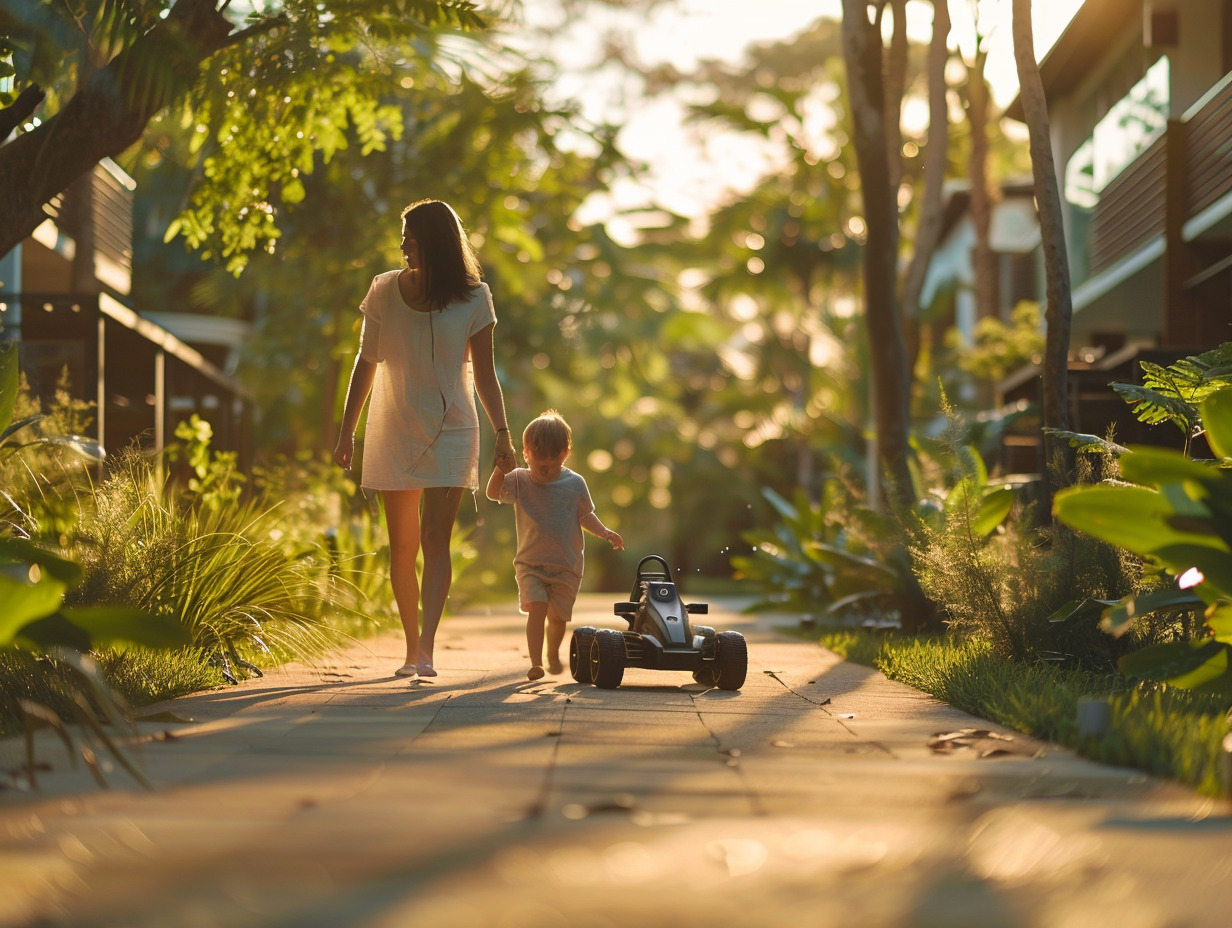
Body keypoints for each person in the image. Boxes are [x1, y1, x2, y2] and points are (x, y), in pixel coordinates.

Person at [334, 199, 515, 681]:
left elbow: (486, 376)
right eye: (402, 236)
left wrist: (503, 434)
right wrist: (346, 430)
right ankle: (411, 645)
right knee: (403, 546)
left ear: (433, 242)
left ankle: (428, 650)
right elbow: (365, 363)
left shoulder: (475, 298)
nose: (402, 245)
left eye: (410, 237)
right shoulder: (383, 290)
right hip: (393, 427)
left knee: (437, 539)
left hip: (454, 429)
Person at [486, 410, 623, 681]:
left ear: (565, 453)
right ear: (526, 453)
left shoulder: (574, 484)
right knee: (536, 608)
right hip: (530, 564)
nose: (545, 468)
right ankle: (535, 663)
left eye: (552, 461)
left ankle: (552, 653)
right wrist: (499, 471)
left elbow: (585, 515)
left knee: (558, 618)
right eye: (539, 461)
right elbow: (492, 494)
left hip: (566, 566)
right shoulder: (519, 479)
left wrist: (606, 533)